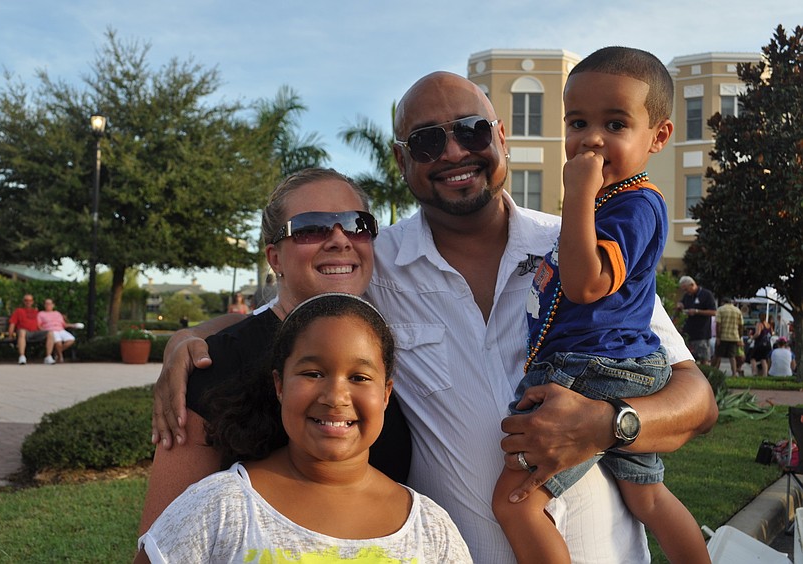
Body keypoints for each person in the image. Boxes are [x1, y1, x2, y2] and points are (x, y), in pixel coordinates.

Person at [152, 72, 717, 563]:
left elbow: (696, 399)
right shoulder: (377, 268)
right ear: (402, 161)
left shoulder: (577, 244)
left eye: (471, 130)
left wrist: (607, 424)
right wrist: (191, 336)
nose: (452, 152)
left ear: (501, 139)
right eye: (425, 142)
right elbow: (289, 311)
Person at [492, 47, 708, 564]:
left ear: (658, 136)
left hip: (589, 369)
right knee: (647, 496)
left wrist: (578, 196)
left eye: (615, 123)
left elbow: (587, 284)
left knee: (514, 505)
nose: (591, 138)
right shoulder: (615, 204)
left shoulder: (635, 205)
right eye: (578, 121)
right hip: (611, 362)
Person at [137, 168, 411, 536]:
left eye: (355, 224)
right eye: (311, 228)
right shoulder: (212, 368)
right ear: (275, 259)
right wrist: (184, 339)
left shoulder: (386, 342)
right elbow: (163, 538)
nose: (338, 239)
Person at [136, 293, 471, 563]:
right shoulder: (219, 507)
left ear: (386, 393)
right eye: (313, 373)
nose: (335, 396)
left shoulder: (430, 529)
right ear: (279, 386)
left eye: (359, 377)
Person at [676, 276, 717, 363]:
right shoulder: (687, 296)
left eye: (686, 289)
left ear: (692, 285)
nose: (686, 292)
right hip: (688, 332)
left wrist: (697, 311)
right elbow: (682, 304)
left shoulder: (706, 294)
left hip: (701, 333)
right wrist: (680, 305)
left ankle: (704, 375)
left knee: (703, 357)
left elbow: (714, 312)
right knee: (689, 358)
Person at [8, 293, 55, 365]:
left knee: (50, 333)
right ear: (23, 301)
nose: (28, 302)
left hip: (36, 332)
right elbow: (12, 323)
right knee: (22, 331)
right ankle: (22, 357)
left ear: (32, 302)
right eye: (26, 300)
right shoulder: (18, 311)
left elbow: (40, 324)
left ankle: (48, 357)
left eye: (30, 300)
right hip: (24, 333)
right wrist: (10, 336)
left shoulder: (36, 312)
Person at [36, 298, 76, 363]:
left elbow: (64, 324)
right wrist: (42, 331)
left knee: (71, 339)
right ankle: (60, 356)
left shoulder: (57, 313)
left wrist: (73, 325)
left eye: (50, 304)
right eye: (47, 304)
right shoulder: (41, 314)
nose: (48, 305)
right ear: (44, 305)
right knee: (58, 342)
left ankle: (57, 352)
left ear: (53, 305)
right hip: (50, 330)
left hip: (60, 329)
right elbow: (39, 325)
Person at [712, 297, 745, 375]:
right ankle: (734, 373)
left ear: (723, 302)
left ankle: (713, 371)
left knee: (718, 355)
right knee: (732, 356)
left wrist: (718, 337)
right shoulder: (737, 310)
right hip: (734, 337)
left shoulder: (720, 309)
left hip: (723, 336)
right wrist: (739, 337)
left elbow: (718, 325)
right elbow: (741, 326)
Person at [752, 312, 774, 376]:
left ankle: (754, 372)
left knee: (752, 358)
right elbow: (772, 333)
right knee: (763, 359)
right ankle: (765, 374)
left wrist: (752, 338)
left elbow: (758, 333)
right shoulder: (769, 325)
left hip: (760, 344)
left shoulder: (759, 324)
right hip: (767, 344)